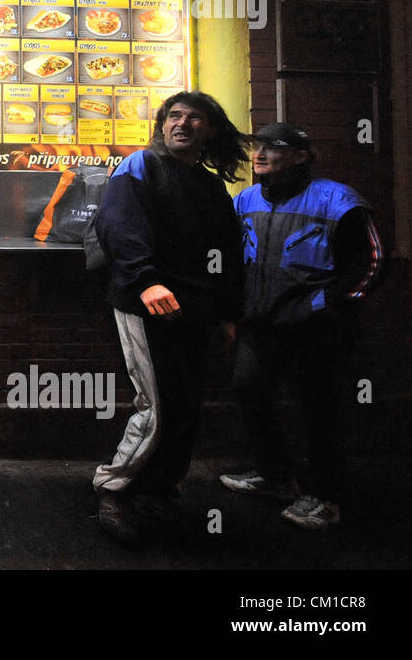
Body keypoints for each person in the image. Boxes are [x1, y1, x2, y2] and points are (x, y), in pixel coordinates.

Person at [90, 91, 246, 547]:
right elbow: (117, 225)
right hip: (146, 304)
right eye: (174, 116)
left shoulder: (210, 185)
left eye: (194, 118)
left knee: (186, 406)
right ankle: (114, 488)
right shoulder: (141, 165)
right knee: (156, 405)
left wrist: (226, 314)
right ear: (161, 124)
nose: (181, 124)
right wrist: (146, 280)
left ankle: (158, 488)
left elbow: (226, 254)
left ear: (211, 130)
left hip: (196, 311)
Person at [220, 123, 383, 530]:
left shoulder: (337, 198)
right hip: (261, 321)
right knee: (248, 388)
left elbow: (374, 260)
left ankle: (328, 498)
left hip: (317, 326)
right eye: (257, 146)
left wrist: (332, 304)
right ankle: (276, 477)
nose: (259, 154)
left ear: (300, 156)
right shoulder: (246, 199)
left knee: (320, 409)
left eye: (272, 148)